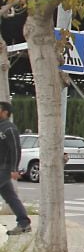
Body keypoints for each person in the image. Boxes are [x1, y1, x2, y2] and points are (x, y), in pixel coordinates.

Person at [0, 101, 31, 235]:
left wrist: (14, 169)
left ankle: (24, 223)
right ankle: (24, 223)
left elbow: (16, 149)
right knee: (10, 197)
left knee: (10, 196)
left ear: (5, 112)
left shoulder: (10, 128)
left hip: (4, 169)